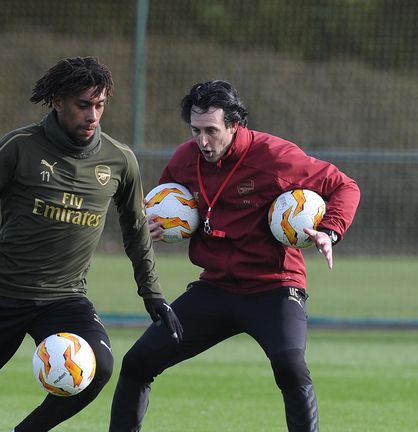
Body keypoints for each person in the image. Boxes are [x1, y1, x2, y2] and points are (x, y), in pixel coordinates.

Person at [0, 56, 182, 432]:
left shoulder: (120, 160)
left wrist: (153, 294)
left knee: (97, 369)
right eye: (83, 105)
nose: (93, 115)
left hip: (64, 299)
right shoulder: (19, 146)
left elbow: (135, 229)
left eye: (100, 105)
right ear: (58, 101)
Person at [109, 80, 360, 431]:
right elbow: (167, 206)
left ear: (234, 124)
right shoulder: (185, 159)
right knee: (137, 362)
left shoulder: (274, 156)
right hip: (215, 288)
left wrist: (330, 231)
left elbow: (345, 186)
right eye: (196, 131)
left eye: (211, 130)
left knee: (291, 366)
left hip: (274, 287)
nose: (203, 141)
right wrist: (155, 228)